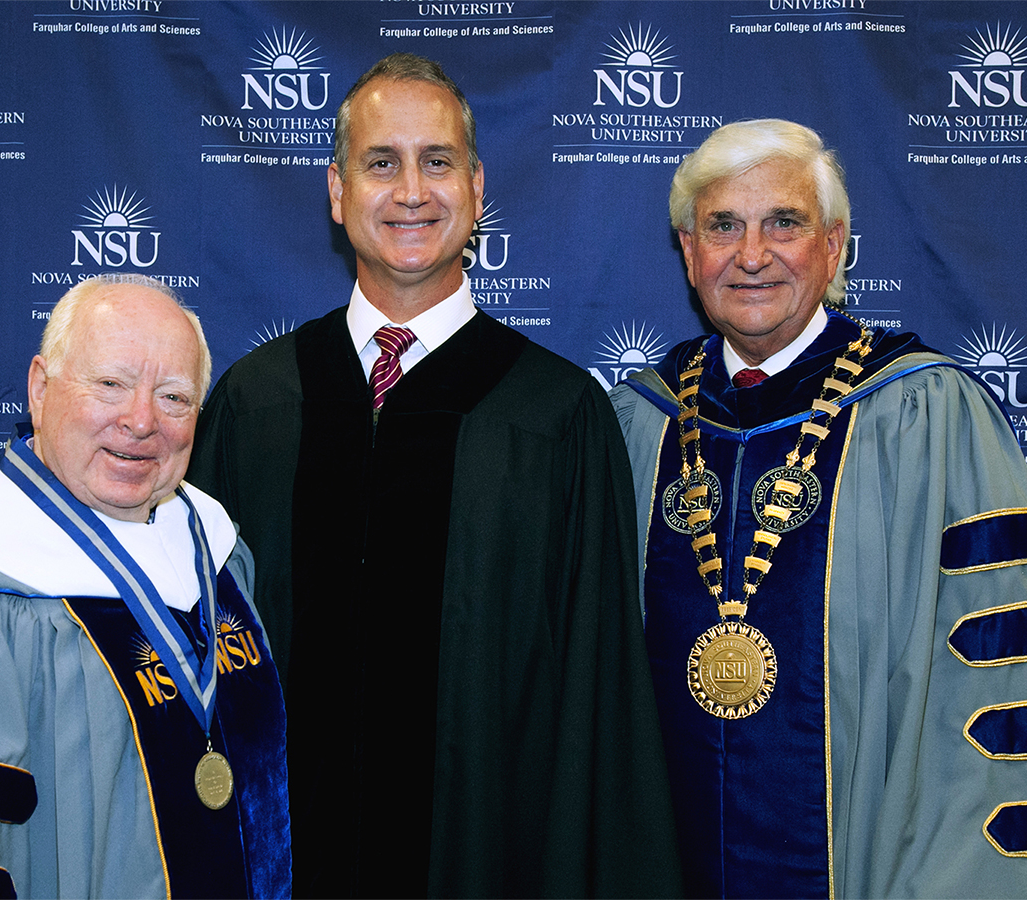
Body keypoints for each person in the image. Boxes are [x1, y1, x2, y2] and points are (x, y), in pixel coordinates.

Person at [187, 53, 680, 898]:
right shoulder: (255, 402)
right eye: (382, 163)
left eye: (438, 161)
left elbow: (597, 705)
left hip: (492, 860)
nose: (411, 191)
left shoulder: (559, 415)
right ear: (337, 192)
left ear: (478, 189)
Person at [609, 118, 1027, 899]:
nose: (751, 255)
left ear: (835, 245)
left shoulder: (928, 414)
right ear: (687, 251)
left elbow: (995, 684)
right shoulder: (637, 421)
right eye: (723, 226)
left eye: (785, 222)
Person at [0, 275, 291, 899]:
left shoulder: (214, 548)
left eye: (173, 397)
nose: (141, 421)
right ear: (40, 388)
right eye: (110, 384)